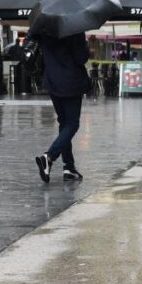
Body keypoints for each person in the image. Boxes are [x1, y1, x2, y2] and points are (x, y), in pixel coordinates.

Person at [34, 32, 90, 183]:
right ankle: (49, 157)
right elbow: (81, 57)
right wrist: (86, 47)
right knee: (72, 124)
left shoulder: (45, 28)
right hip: (70, 81)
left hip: (52, 81)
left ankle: (69, 167)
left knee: (64, 123)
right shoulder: (74, 29)